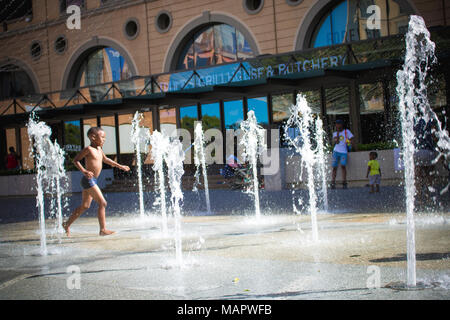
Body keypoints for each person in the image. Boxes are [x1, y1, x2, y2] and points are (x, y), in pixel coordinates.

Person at [63, 127, 130, 237]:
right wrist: (84, 171)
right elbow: (75, 160)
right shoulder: (88, 149)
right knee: (103, 203)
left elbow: (106, 159)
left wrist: (120, 166)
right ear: (93, 137)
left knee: (85, 206)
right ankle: (102, 230)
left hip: (92, 180)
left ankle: (66, 224)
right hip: (88, 180)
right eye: (102, 137)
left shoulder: (99, 149)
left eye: (105, 138)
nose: (104, 140)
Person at [413, 118, 438, 206]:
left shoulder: (413, 120)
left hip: (418, 151)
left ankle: (419, 197)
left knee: (417, 176)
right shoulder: (430, 119)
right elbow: (435, 135)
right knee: (429, 175)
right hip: (429, 151)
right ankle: (428, 197)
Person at [330, 119, 354, 189]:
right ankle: (333, 182)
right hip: (336, 151)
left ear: (341, 124)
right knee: (334, 167)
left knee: (343, 166)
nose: (337, 125)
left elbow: (352, 138)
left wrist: (349, 142)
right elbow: (336, 142)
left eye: (339, 124)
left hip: (343, 151)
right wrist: (337, 134)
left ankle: (344, 181)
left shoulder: (347, 132)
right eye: (336, 124)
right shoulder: (335, 133)